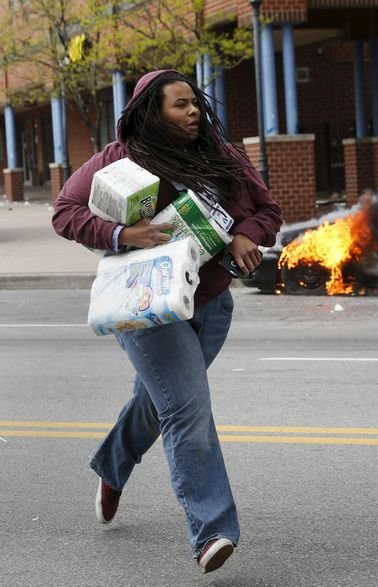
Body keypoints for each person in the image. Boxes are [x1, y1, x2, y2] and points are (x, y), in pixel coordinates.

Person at [52, 69, 283, 573]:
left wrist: (248, 234)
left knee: (159, 404)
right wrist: (120, 235)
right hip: (145, 307)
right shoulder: (120, 160)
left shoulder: (225, 157)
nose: (194, 111)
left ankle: (112, 467)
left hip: (211, 303)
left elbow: (267, 209)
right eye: (180, 105)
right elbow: (65, 211)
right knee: (187, 407)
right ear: (152, 112)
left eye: (195, 102)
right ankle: (212, 530)